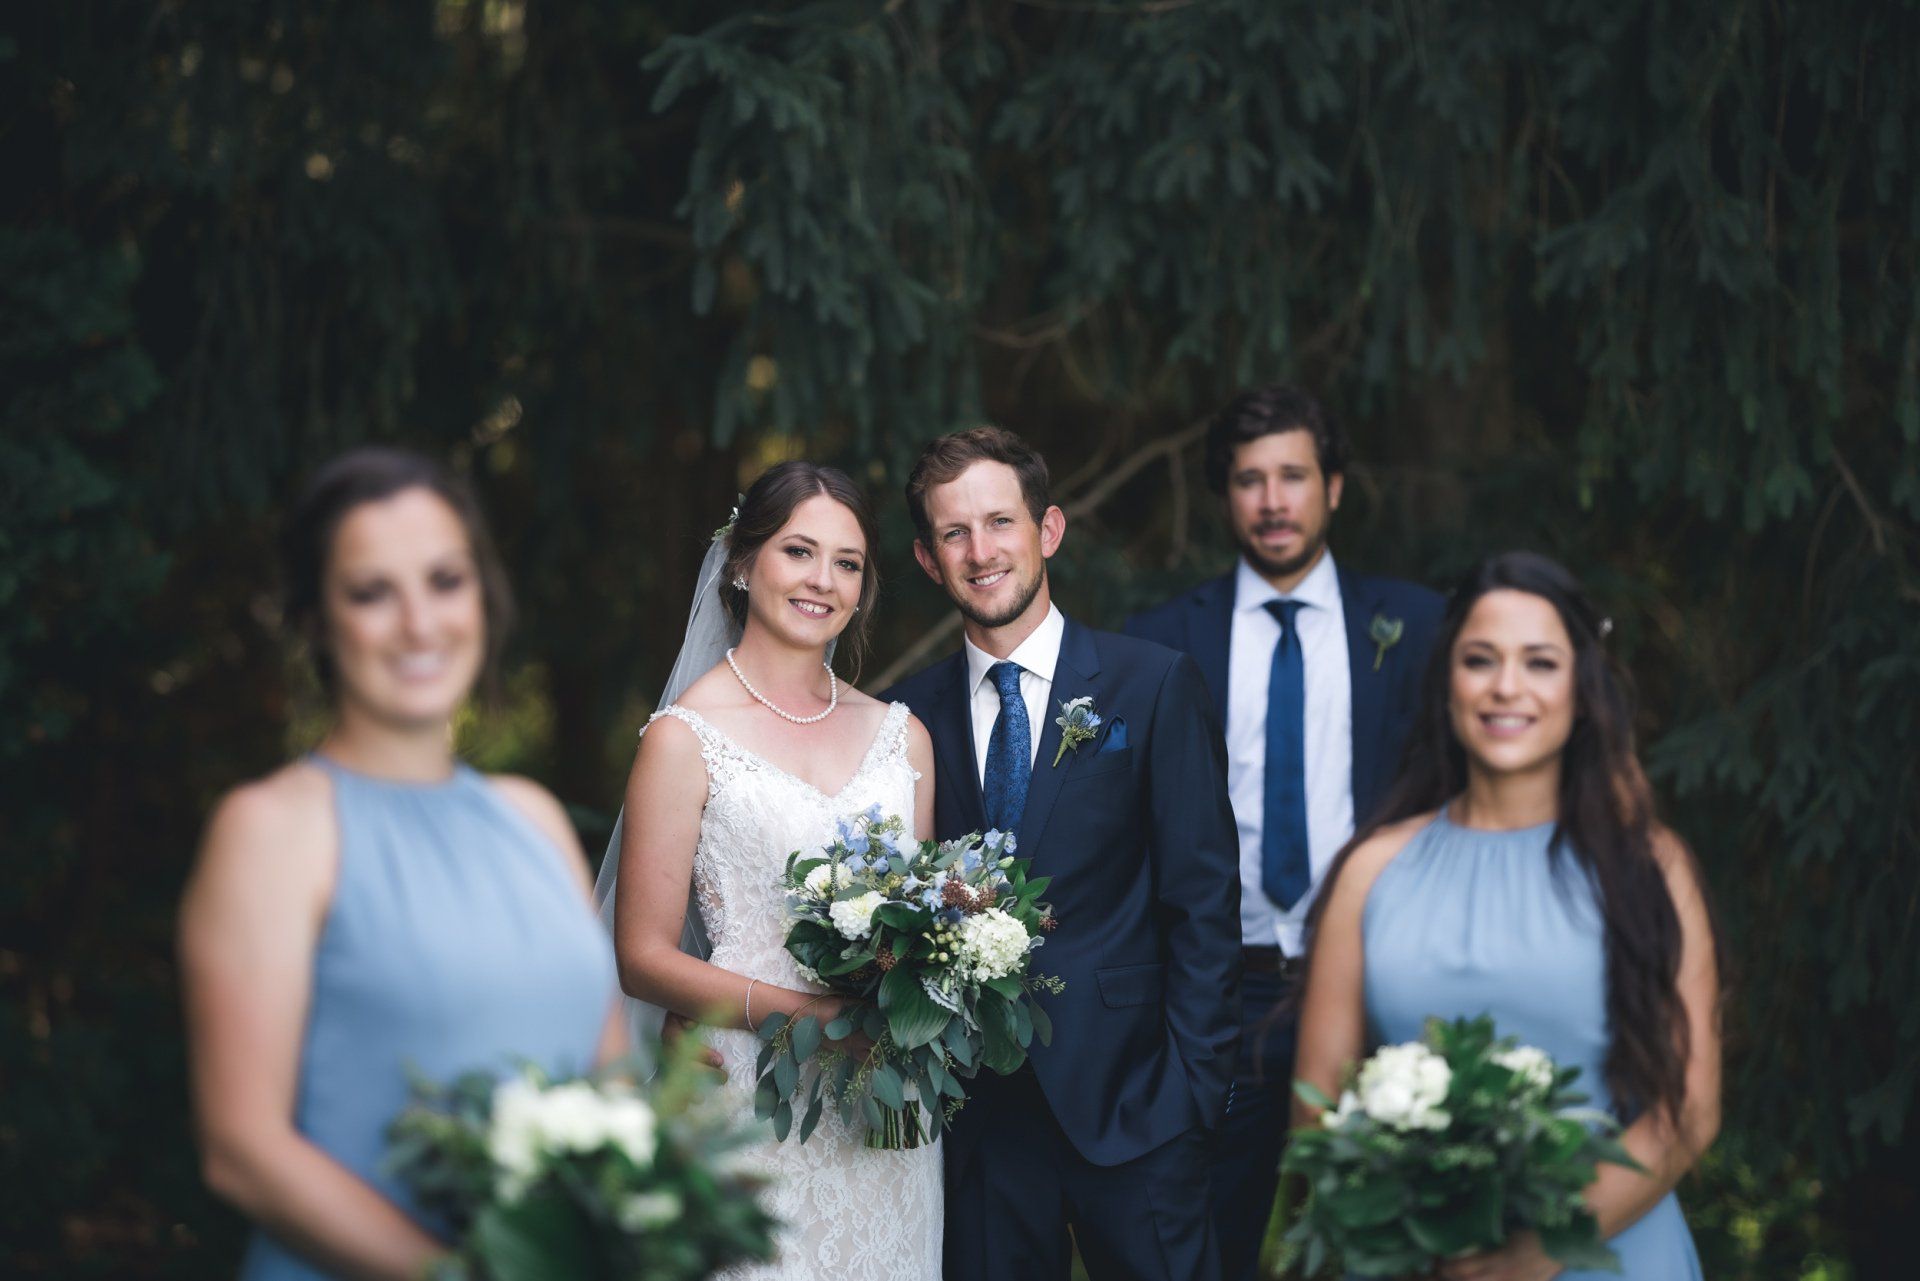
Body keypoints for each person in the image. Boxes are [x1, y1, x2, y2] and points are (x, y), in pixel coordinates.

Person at [179, 447, 624, 1280]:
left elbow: (613, 1084)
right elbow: (242, 1147)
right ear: (315, 620)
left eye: (445, 581)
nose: (420, 623)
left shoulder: (533, 818)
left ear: (483, 596)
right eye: (371, 593)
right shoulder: (272, 829)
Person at [1293, 551, 1721, 1279]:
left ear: (1582, 690)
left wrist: (1535, 1252)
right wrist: (1416, 1233)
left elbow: (1689, 1109)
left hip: (1611, 1252)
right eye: (1481, 660)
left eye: (1541, 663)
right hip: (1421, 1261)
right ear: (1448, 684)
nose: (1507, 687)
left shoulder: (1648, 865)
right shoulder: (1371, 871)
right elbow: (1317, 1107)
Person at [882, 427, 1242, 1281]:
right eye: (954, 533)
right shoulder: (905, 717)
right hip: (980, 1123)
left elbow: (1203, 902)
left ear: (1048, 530)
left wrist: (1190, 1093)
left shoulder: (1152, 683)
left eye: (1000, 522)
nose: (981, 552)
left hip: (1138, 1107)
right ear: (929, 560)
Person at [1122, 383, 1442, 1277]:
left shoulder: (1416, 628)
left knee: (1390, 1241)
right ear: (1226, 494)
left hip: (1381, 982)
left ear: (1333, 487)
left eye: (1293, 476)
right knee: (1208, 1243)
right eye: (1250, 479)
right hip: (1229, 995)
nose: (1272, 500)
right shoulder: (1162, 643)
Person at [610, 461, 943, 1280]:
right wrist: (799, 1013)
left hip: (882, 1110)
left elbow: (923, 932)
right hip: (748, 1098)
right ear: (740, 561)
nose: (822, 581)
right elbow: (643, 956)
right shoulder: (683, 739)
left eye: (848, 563)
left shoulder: (904, 738)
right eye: (799, 551)